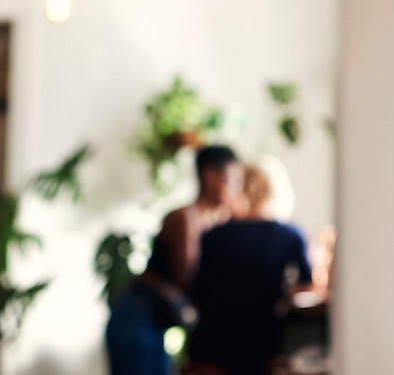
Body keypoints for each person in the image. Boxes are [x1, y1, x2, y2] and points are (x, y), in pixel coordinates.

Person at [107, 145, 244, 375]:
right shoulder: (185, 218)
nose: (238, 190)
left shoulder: (216, 221)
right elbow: (187, 278)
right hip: (137, 318)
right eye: (234, 181)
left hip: (156, 322)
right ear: (210, 177)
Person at [187, 164, 312, 375]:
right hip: (262, 346)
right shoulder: (290, 236)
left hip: (210, 347)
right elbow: (306, 287)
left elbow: (196, 292)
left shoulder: (213, 235)